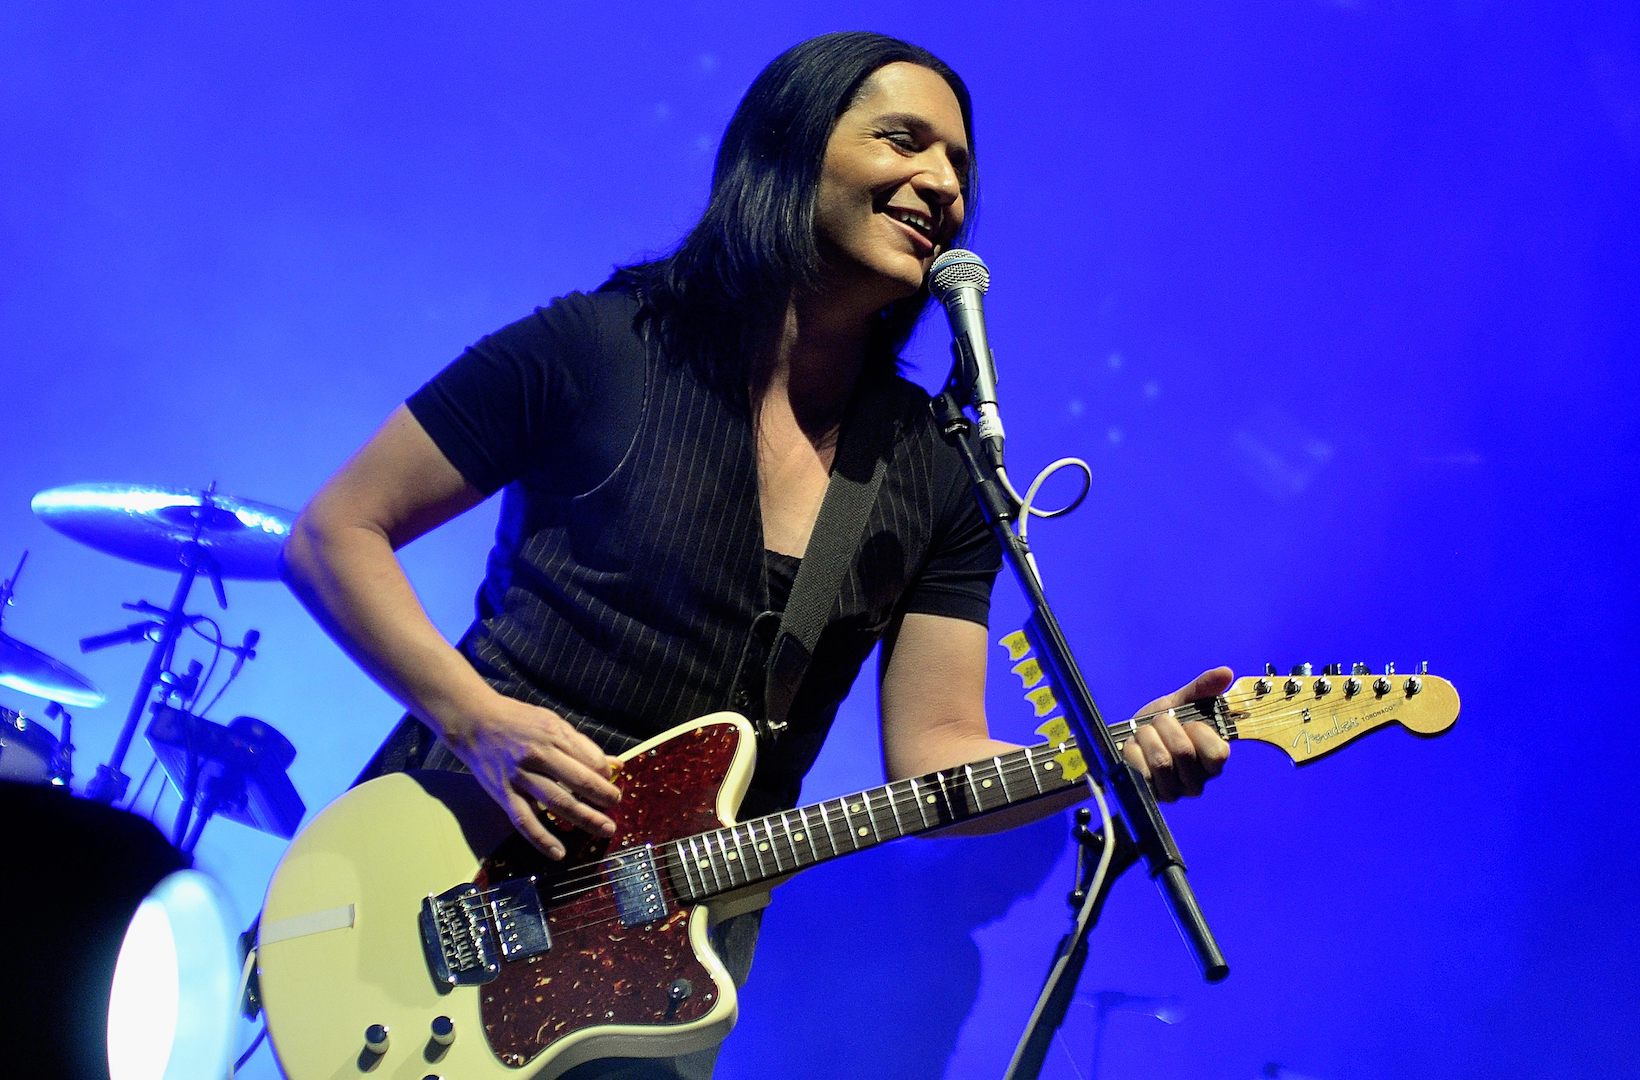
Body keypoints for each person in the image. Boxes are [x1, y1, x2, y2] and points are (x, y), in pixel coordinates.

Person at [280, 30, 1231, 1079]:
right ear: (789, 146)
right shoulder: (599, 348)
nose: (943, 185)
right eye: (903, 141)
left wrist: (1106, 756)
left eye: (960, 166)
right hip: (455, 883)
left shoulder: (933, 468)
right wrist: (477, 720)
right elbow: (334, 535)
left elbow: (936, 753)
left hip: (660, 975)